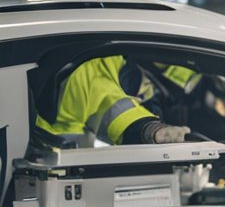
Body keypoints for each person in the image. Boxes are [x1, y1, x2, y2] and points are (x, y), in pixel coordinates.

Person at [36, 56, 195, 146]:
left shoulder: (113, 63)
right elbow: (112, 109)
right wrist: (150, 130)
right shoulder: (91, 69)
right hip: (40, 164)